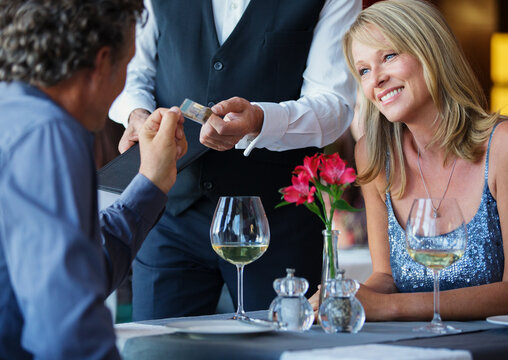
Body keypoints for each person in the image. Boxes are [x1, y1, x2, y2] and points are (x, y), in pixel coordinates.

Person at [109, 0, 361, 320]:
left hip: (277, 219)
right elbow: (130, 69)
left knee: (281, 350)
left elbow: (334, 104)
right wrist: (136, 113)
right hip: (171, 213)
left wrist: (260, 119)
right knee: (157, 347)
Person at [0, 0, 187, 358]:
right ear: (101, 63)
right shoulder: (45, 135)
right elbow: (70, 334)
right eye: (127, 64)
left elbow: (80, 273)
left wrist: (152, 182)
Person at [311, 0, 508, 321]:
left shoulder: (502, 146)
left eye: (388, 56)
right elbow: (386, 278)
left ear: (432, 51)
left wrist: (391, 308)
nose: (376, 79)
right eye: (363, 70)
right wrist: (346, 295)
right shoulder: (373, 156)